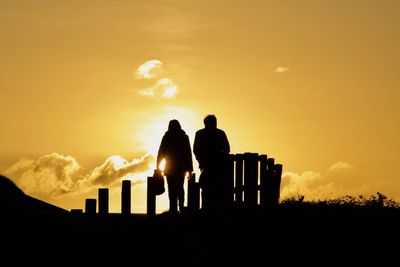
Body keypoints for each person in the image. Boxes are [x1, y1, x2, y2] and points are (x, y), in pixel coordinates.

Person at [193, 114, 230, 213]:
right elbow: (227, 149)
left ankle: (206, 208)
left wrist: (201, 160)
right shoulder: (220, 133)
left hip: (206, 165)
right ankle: (215, 209)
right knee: (216, 187)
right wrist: (220, 158)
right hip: (217, 166)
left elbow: (196, 150)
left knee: (205, 186)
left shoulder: (200, 134)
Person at [157, 119, 193, 214]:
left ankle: (174, 208)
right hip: (180, 168)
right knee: (179, 187)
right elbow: (188, 154)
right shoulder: (183, 137)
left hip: (171, 168)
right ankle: (179, 207)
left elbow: (161, 153)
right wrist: (189, 169)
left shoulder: (167, 137)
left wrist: (158, 167)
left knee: (172, 188)